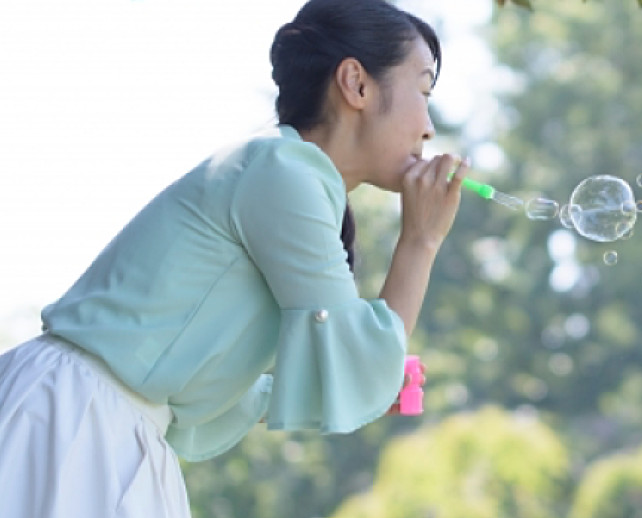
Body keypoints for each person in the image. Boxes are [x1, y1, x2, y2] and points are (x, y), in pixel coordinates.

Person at [0, 0, 464, 516]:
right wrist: (419, 241)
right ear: (356, 83)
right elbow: (363, 360)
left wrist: (360, 376)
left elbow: (339, 365)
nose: (428, 127)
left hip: (111, 424)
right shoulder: (285, 172)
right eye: (423, 91)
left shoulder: (289, 176)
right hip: (75, 420)